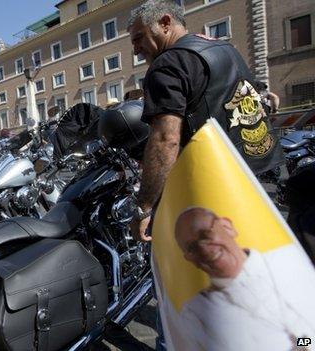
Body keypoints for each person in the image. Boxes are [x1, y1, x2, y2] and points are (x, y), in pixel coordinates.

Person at [127, 0, 283, 243]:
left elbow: (165, 140)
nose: (135, 49)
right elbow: (260, 96)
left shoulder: (167, 65)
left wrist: (144, 208)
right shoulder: (225, 48)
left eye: (138, 38)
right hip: (260, 173)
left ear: (165, 23)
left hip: (218, 187)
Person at [173, 207, 315, 351]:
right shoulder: (194, 313)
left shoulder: (286, 262)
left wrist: (303, 344)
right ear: (190, 259)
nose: (204, 249)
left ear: (227, 227)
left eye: (205, 235)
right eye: (192, 248)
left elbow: (309, 337)